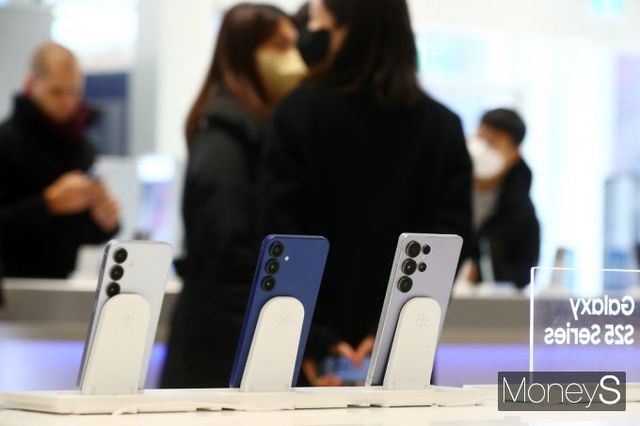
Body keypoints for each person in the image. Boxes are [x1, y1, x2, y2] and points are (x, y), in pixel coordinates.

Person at [260, 0, 472, 386]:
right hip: (403, 349)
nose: (311, 31)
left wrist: (314, 338)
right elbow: (448, 242)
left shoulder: (296, 114)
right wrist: (391, 332)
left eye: (318, 20)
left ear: (346, 26)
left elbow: (281, 232)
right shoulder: (442, 127)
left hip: (304, 350)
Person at [161, 3, 306, 388]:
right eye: (280, 46)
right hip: (219, 350)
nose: (293, 59)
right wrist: (261, 349)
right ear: (245, 53)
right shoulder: (224, 139)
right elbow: (227, 253)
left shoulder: (256, 133)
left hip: (230, 339)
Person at [0, 43, 119, 279]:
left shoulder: (81, 147)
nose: (67, 101)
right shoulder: (5, 141)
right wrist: (48, 203)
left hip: (62, 284)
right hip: (11, 285)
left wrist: (105, 221)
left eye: (74, 92)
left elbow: (82, 234)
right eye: (56, 92)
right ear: (31, 84)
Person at [466, 108, 540, 288]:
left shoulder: (522, 213)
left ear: (514, 153)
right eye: (479, 139)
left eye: (492, 143)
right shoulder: (447, 190)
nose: (481, 150)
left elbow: (524, 275)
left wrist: (479, 273)